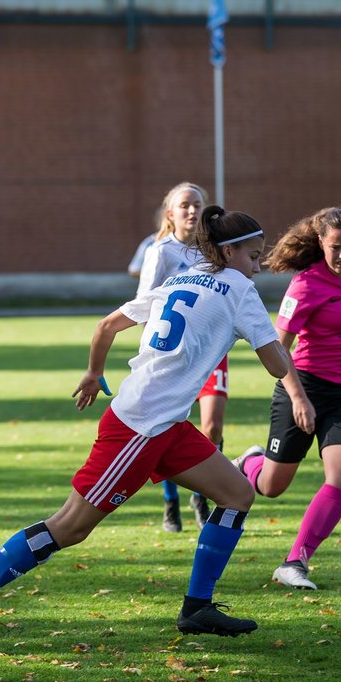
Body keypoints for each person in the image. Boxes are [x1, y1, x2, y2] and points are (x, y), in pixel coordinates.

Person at [0, 206, 292, 653]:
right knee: (69, 527)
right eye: (253, 256)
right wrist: (283, 350)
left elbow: (108, 324)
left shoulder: (179, 280)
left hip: (165, 423)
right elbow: (276, 363)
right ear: (227, 251)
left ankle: (197, 607)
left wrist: (93, 373)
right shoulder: (239, 288)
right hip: (140, 427)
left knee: (237, 493)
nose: (257, 267)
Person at [233, 206, 341, 590]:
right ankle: (250, 461)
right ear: (321, 243)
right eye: (335, 247)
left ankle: (294, 562)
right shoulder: (305, 285)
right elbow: (277, 348)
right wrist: (300, 399)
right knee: (271, 487)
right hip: (301, 386)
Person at [138, 182, 228, 532]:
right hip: (173, 358)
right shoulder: (160, 252)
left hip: (210, 354)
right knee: (170, 425)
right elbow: (144, 304)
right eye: (185, 205)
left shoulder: (214, 252)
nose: (192, 211)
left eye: (198, 205)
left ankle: (201, 494)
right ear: (171, 213)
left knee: (213, 424)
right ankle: (171, 502)